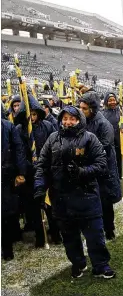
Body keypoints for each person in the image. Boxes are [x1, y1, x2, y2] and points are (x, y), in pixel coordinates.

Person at [34, 106, 116, 279]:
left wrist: (81, 171)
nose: (68, 122)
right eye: (65, 119)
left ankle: (101, 265)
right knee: (69, 237)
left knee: (95, 235)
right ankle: (78, 263)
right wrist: (40, 189)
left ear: (79, 120)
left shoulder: (90, 138)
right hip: (61, 199)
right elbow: (42, 166)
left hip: (87, 196)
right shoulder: (52, 139)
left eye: (72, 119)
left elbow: (101, 164)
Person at [14, 96, 59, 247]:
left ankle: (55, 233)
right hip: (30, 174)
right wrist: (29, 166)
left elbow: (54, 145)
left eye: (34, 114)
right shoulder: (20, 130)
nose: (32, 118)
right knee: (34, 209)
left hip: (47, 172)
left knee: (50, 205)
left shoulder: (46, 126)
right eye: (29, 115)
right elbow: (19, 152)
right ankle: (40, 236)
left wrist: (45, 163)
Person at [79, 92, 122, 240]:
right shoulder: (84, 121)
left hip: (104, 170)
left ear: (92, 108)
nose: (81, 111)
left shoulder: (103, 124)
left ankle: (109, 229)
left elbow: (105, 146)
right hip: (90, 168)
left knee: (105, 201)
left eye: (84, 108)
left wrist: (85, 153)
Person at [1, 104, 27, 260]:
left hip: (5, 173)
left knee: (6, 210)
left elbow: (19, 150)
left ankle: (8, 248)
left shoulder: (8, 126)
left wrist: (21, 172)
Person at [102, 92, 123, 197]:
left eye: (113, 100)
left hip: (122, 143)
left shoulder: (121, 112)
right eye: (110, 100)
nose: (112, 102)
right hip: (110, 144)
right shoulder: (102, 114)